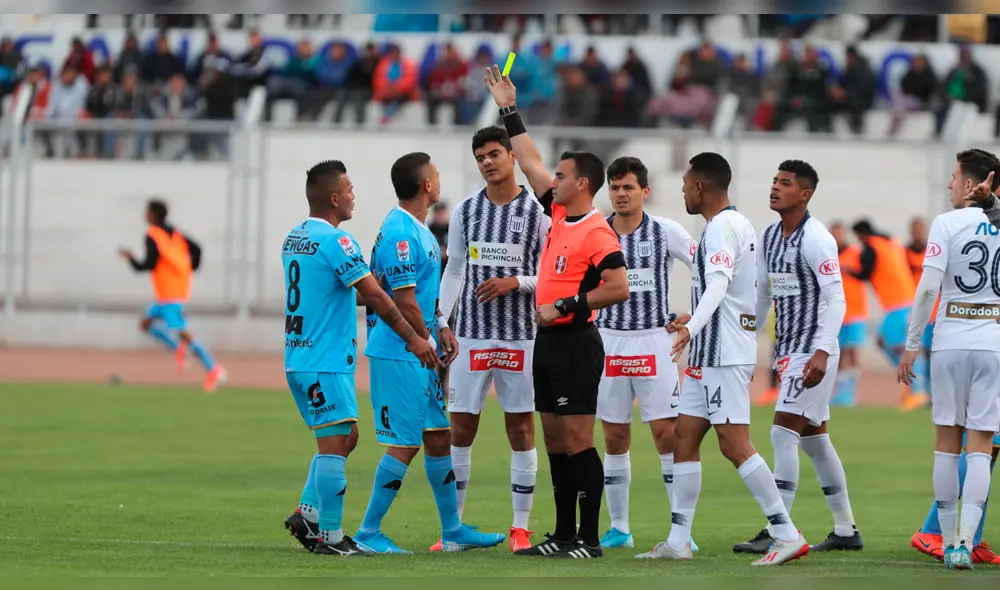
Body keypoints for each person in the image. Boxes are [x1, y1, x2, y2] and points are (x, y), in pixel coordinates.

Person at [485, 65, 631, 559]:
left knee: (576, 440)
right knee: (552, 441)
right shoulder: (559, 213)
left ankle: (589, 539)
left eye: (562, 175)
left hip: (575, 341)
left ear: (582, 183)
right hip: (547, 342)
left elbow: (618, 287)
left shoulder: (598, 231)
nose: (553, 179)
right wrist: (509, 107)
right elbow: (527, 160)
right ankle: (563, 534)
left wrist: (564, 305)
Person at [637, 152, 808, 566]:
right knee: (685, 438)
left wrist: (690, 328)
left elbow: (718, 284)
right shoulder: (732, 224)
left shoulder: (722, 228)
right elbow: (726, 293)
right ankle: (678, 541)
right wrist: (691, 319)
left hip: (723, 354)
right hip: (709, 353)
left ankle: (786, 533)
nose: (681, 193)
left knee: (734, 445)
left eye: (684, 186)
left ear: (699, 186)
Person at [280, 160, 440, 556]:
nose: (354, 196)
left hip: (300, 357)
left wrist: (372, 287)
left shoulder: (295, 236)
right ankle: (331, 538)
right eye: (350, 190)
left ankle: (308, 512)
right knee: (335, 444)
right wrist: (416, 339)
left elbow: (332, 290)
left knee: (346, 437)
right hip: (325, 360)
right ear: (335, 198)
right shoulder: (340, 241)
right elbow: (379, 299)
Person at [354, 152, 506, 554]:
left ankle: (452, 529)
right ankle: (369, 532)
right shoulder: (402, 234)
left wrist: (441, 325)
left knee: (439, 437)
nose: (439, 182)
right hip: (401, 351)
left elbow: (422, 294)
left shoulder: (417, 229)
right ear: (426, 186)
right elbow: (403, 301)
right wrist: (423, 340)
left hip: (419, 346)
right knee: (405, 442)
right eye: (436, 176)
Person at [733, 160, 862, 555]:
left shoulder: (817, 238)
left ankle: (780, 530)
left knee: (781, 431)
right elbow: (760, 298)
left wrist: (822, 351)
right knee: (815, 441)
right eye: (774, 180)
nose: (775, 187)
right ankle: (845, 530)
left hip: (813, 351)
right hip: (787, 351)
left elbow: (835, 297)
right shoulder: (769, 236)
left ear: (804, 194)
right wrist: (739, 335)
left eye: (785, 183)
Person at [432, 125, 550, 553]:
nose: (487, 161)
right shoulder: (465, 211)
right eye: (480, 155)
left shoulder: (538, 213)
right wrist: (441, 319)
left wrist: (515, 282)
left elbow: (551, 276)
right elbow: (456, 269)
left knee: (520, 428)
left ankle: (520, 527)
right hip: (471, 337)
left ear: (512, 157)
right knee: (459, 428)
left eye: (494, 153)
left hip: (521, 337)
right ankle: (454, 528)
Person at [898, 149, 1000, 570]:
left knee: (946, 445)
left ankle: (942, 538)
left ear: (975, 182)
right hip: (993, 339)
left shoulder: (946, 222)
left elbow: (927, 288)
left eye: (955, 176)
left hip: (951, 338)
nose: (949, 184)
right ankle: (961, 543)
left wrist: (911, 344)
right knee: (981, 446)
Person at [593, 156, 700, 552]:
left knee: (666, 434)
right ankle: (619, 528)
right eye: (615, 187)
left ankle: (680, 530)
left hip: (655, 342)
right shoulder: (596, 232)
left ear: (645, 192)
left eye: (628, 187)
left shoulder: (665, 231)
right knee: (614, 434)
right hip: (608, 341)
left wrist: (695, 311)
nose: (620, 194)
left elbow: (704, 265)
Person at [118, 199, 226, 392]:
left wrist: (131, 259)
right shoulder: (175, 233)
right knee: (146, 324)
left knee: (183, 332)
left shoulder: (152, 235)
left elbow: (149, 264)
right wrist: (189, 268)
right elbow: (197, 248)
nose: (144, 215)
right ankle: (179, 349)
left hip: (169, 293)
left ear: (154, 214)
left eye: (147, 211)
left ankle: (213, 369)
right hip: (173, 290)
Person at [849, 219, 927, 411]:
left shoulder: (872, 247)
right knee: (884, 341)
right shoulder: (891, 242)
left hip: (897, 304)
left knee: (901, 347)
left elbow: (864, 272)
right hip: (906, 301)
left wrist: (847, 271)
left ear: (861, 234)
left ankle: (917, 391)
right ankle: (912, 385)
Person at [829, 221, 867, 407]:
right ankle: (838, 392)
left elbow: (865, 273)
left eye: (839, 232)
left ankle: (850, 394)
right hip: (835, 312)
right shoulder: (826, 254)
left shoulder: (855, 253)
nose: (836, 237)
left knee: (852, 352)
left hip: (855, 311)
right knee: (836, 353)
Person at [905, 217, 938, 401]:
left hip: (934, 311)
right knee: (919, 350)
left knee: (933, 352)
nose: (918, 233)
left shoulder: (932, 251)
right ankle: (921, 391)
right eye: (914, 229)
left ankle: (933, 390)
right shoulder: (905, 252)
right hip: (914, 310)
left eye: (920, 229)